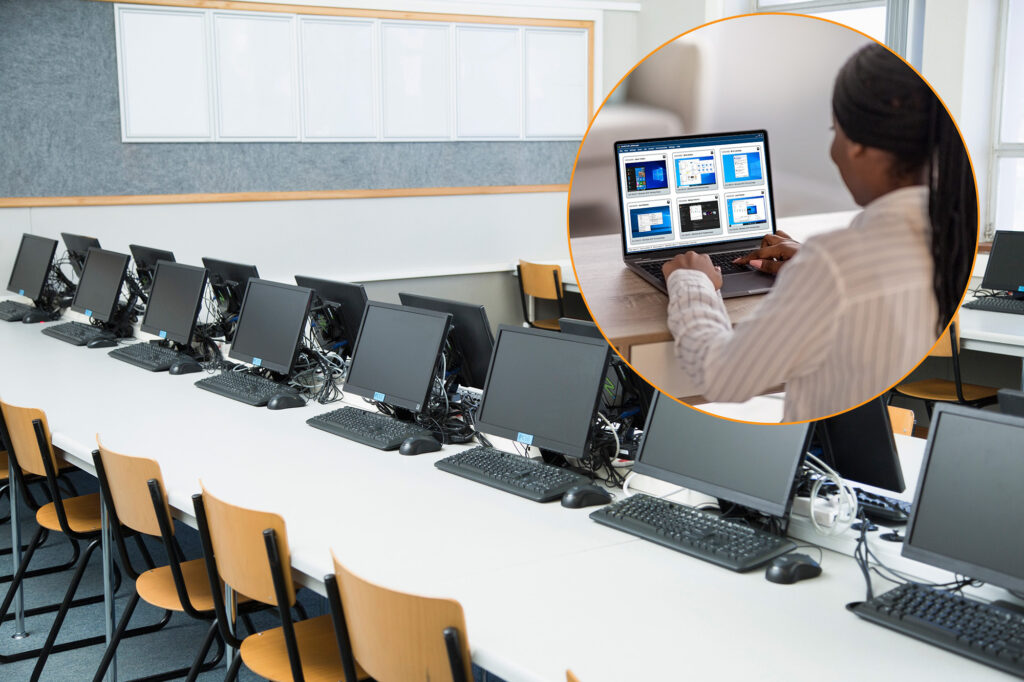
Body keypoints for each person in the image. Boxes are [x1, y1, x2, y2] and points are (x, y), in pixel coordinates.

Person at [661, 42, 976, 422]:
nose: (832, 148)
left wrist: (691, 281)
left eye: (834, 131)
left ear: (858, 146)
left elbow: (721, 377)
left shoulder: (837, 263)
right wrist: (810, 265)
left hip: (818, 466)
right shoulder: (952, 237)